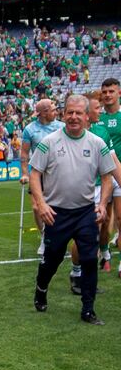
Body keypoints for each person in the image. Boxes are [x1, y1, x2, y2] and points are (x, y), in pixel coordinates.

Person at [30, 94, 119, 324]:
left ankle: (88, 309)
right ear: (63, 113)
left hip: (85, 212)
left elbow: (107, 177)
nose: (74, 117)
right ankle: (41, 287)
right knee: (52, 259)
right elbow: (34, 174)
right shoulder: (49, 142)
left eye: (79, 113)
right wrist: (41, 204)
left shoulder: (97, 143)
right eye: (70, 112)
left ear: (87, 116)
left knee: (89, 259)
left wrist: (101, 204)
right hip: (57, 213)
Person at [20, 99, 63, 255]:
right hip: (37, 172)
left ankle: (57, 236)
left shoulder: (61, 127)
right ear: (44, 112)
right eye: (53, 109)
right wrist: (25, 173)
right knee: (37, 207)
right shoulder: (30, 129)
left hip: (59, 172)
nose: (56, 111)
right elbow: (24, 154)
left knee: (59, 206)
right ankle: (44, 235)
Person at [96, 78, 121, 271]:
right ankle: (105, 254)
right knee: (103, 220)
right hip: (101, 175)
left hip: (119, 172)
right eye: (104, 92)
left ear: (118, 93)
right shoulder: (97, 118)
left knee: (120, 218)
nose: (107, 95)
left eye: (111, 91)